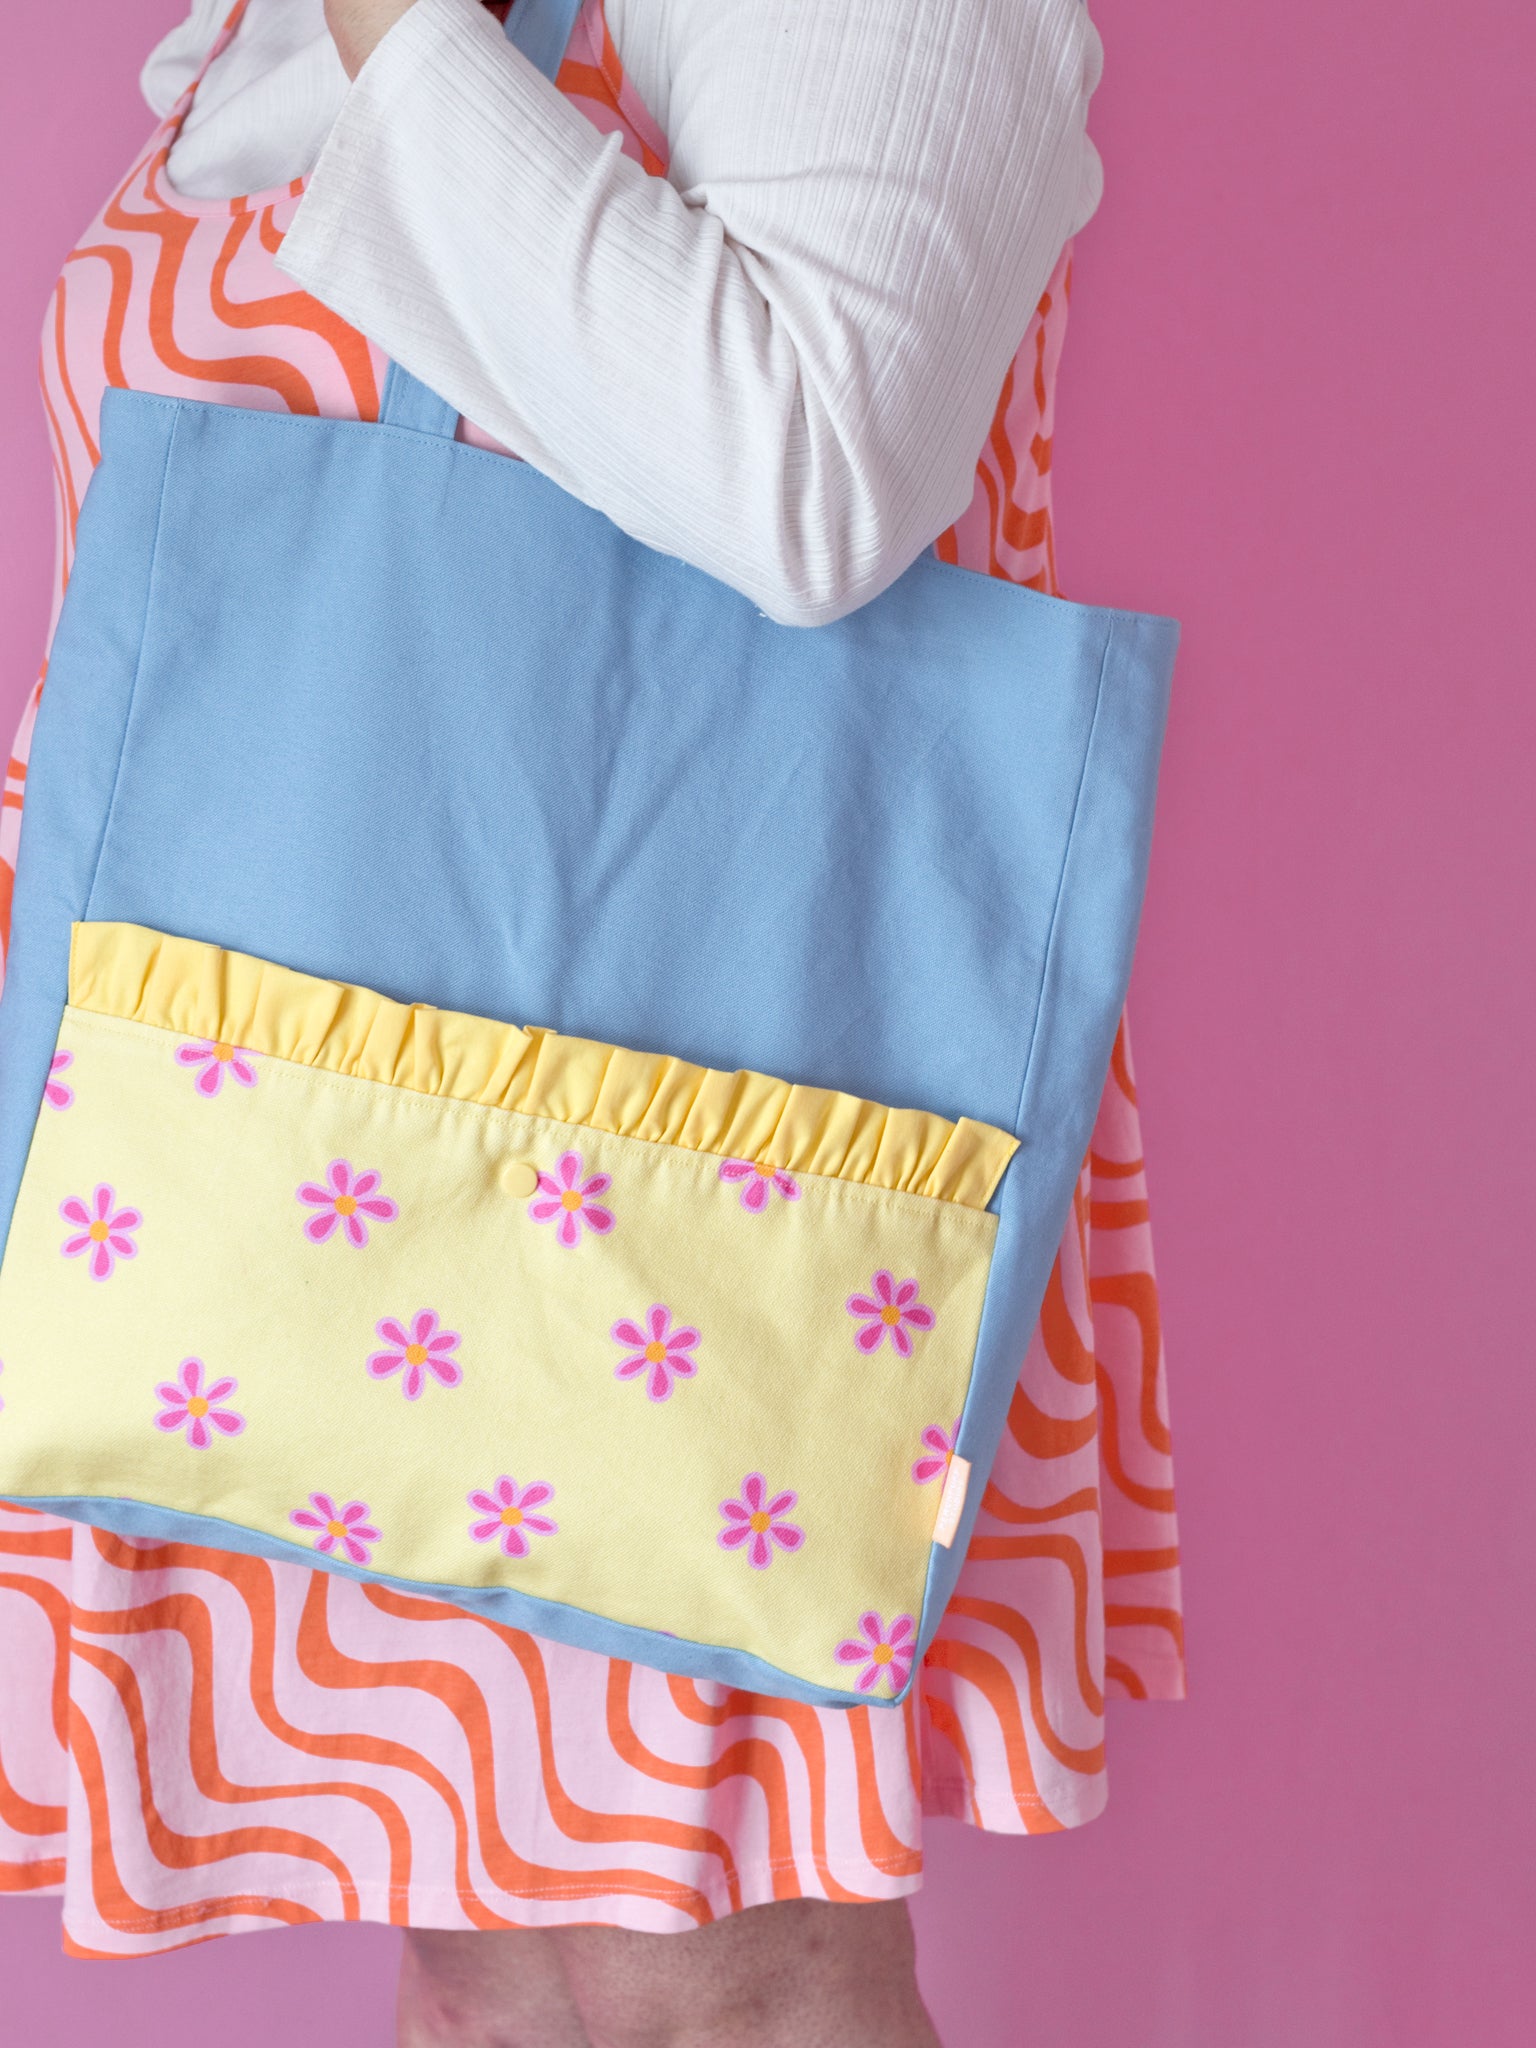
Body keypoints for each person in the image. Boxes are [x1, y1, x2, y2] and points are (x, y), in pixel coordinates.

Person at [0, 2, 1184, 2040]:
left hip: (660, 1132)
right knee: (496, 1976)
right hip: (234, 1118)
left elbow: (807, 478)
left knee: (705, 1972)